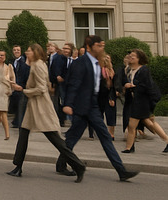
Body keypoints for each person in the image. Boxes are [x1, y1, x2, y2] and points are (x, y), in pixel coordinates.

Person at [56, 35, 138, 182]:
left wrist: (109, 92)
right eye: (98, 46)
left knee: (105, 137)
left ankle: (121, 171)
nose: (101, 48)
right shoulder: (80, 63)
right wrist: (68, 104)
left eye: (102, 46)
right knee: (72, 139)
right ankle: (61, 165)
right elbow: (73, 84)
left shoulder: (98, 63)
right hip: (81, 107)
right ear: (89, 47)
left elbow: (97, 86)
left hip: (93, 106)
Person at [6, 43, 86, 180]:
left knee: (54, 138)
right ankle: (17, 166)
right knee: (23, 134)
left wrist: (23, 90)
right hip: (34, 106)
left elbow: (42, 88)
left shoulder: (37, 65)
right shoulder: (37, 64)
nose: (27, 52)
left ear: (35, 52)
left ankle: (78, 165)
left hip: (40, 106)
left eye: (29, 51)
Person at [122, 49, 168, 153]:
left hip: (142, 101)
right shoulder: (130, 70)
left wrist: (133, 87)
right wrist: (127, 86)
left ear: (139, 59)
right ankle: (129, 147)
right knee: (148, 123)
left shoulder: (143, 70)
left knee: (132, 124)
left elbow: (147, 86)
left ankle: (129, 147)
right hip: (136, 101)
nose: (130, 57)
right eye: (130, 56)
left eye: (133, 56)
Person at [8, 44, 30, 128]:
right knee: (16, 105)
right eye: (14, 50)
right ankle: (16, 121)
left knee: (21, 105)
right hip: (13, 86)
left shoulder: (24, 62)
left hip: (21, 86)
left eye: (18, 50)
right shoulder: (11, 62)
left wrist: (22, 86)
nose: (16, 51)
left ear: (21, 52)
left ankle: (19, 122)